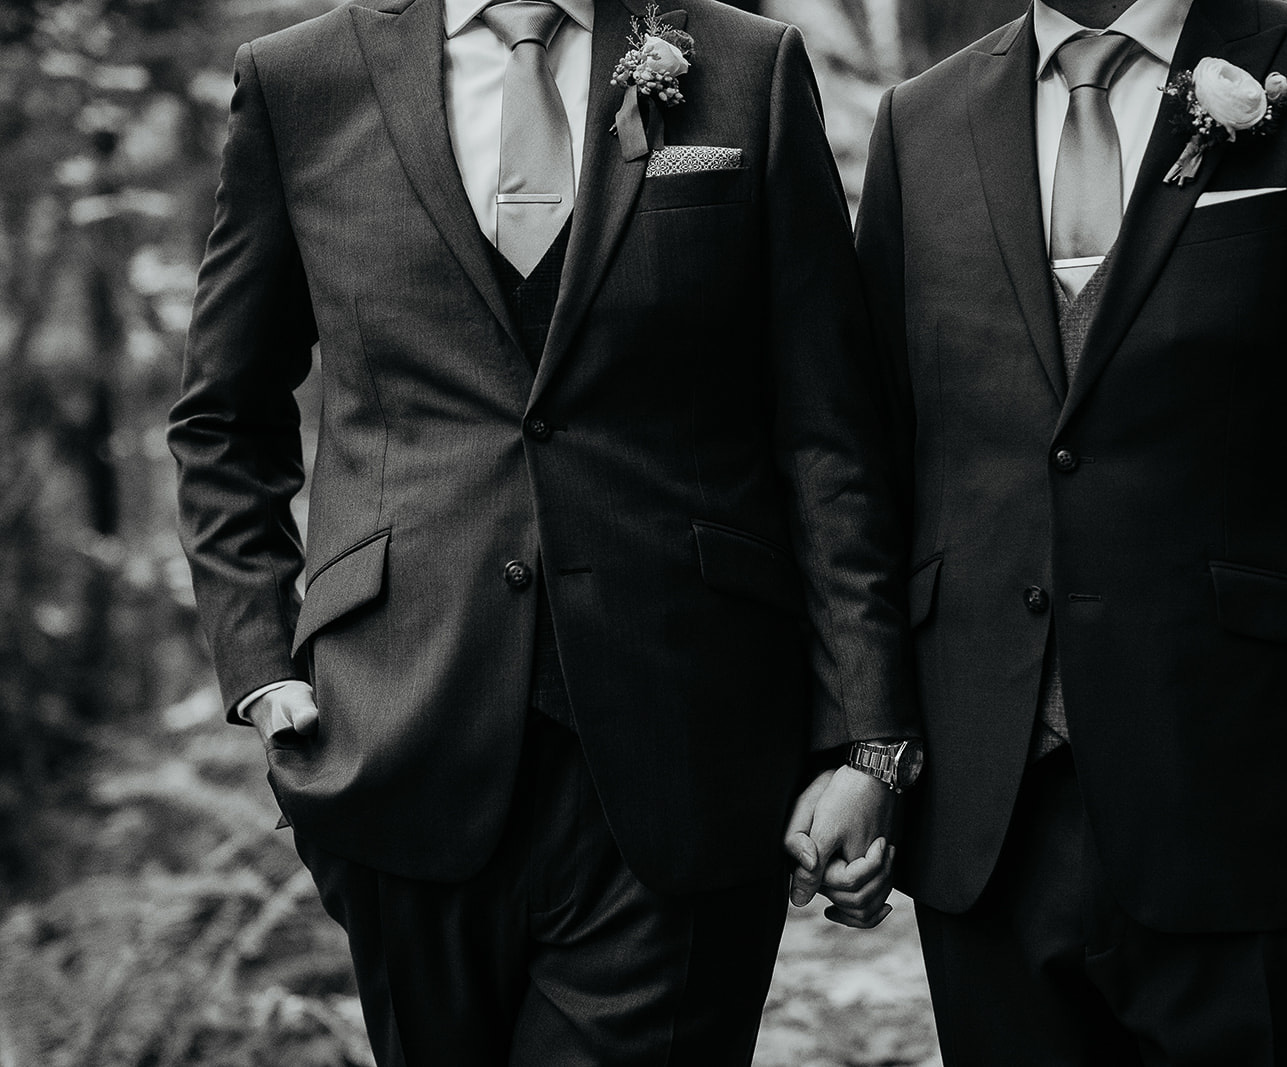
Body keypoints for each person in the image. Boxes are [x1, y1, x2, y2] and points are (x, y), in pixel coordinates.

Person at [168, 0, 916, 1061]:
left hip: (691, 743)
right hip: (396, 734)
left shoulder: (748, 64)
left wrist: (869, 737)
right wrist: (255, 656)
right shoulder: (302, 78)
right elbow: (223, 419)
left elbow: (828, 428)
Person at [850, 0, 1287, 1061]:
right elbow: (873, 461)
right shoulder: (918, 122)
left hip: (1253, 811)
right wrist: (867, 745)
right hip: (989, 827)